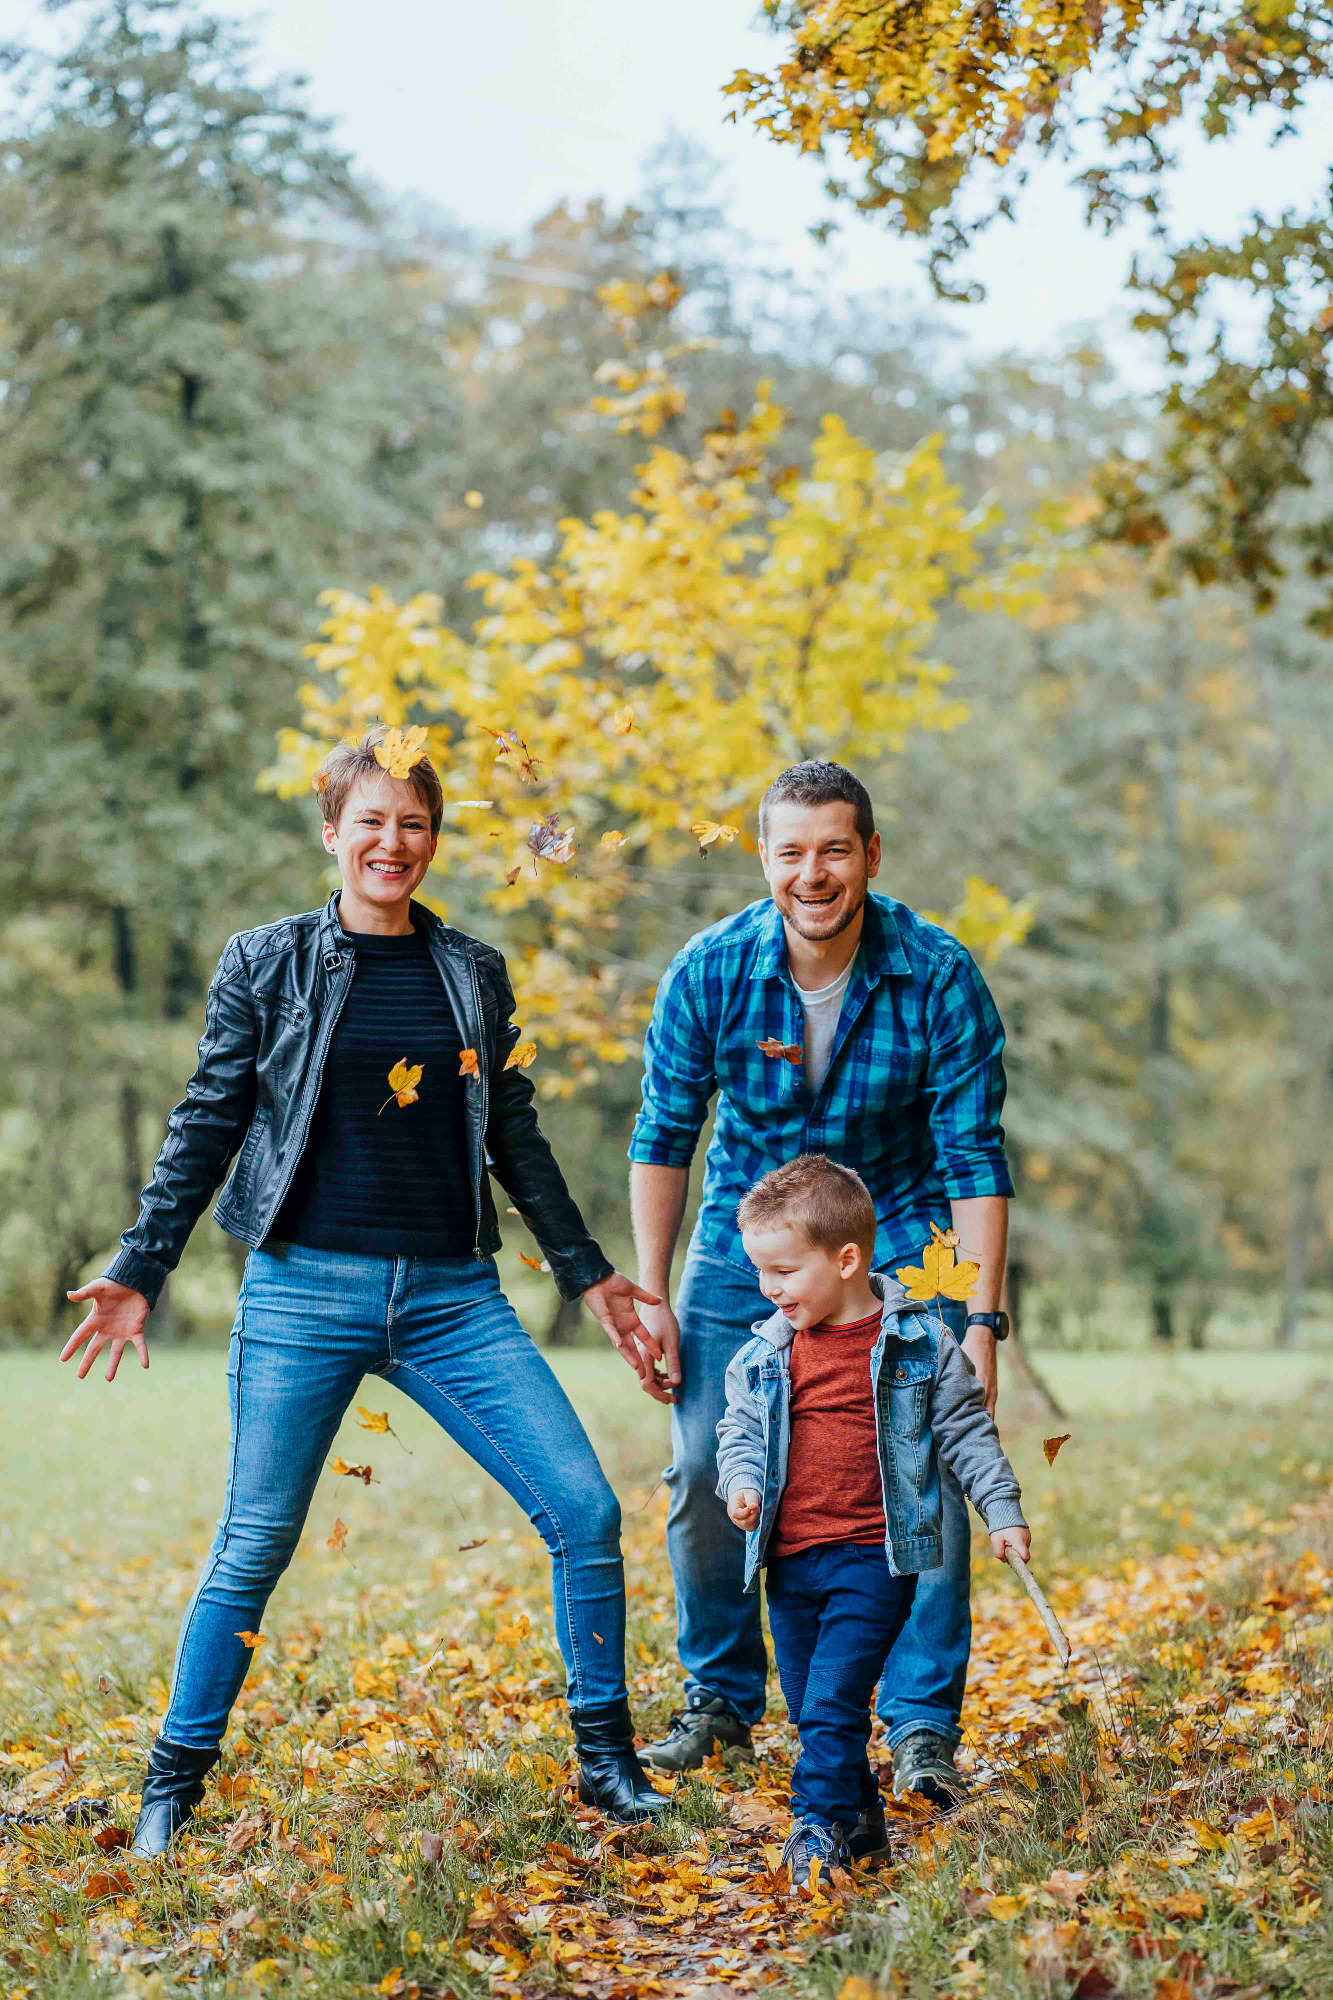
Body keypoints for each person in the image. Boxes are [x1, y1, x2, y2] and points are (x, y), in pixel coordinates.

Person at [62, 726, 669, 1856]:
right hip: (302, 1292)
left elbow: (513, 1134)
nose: (393, 842)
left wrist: (587, 1273)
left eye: (415, 823)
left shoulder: (472, 972)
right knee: (254, 1542)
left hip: (453, 1299)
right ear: (332, 832)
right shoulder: (266, 961)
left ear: (433, 840)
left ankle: (606, 1760)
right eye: (371, 821)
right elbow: (210, 1118)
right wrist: (143, 1265)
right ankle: (170, 1787)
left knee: (584, 1511)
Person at [630, 760, 1015, 1802]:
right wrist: (654, 1293)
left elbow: (974, 1157)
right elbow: (663, 1135)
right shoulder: (709, 970)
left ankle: (921, 1724)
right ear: (764, 858)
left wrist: (981, 1321)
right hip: (742, 1249)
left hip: (902, 1240)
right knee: (705, 1465)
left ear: (870, 855)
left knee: (919, 1467)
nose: (813, 873)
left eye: (834, 849)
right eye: (791, 851)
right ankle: (720, 1700)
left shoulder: (936, 973)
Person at [717, 1155, 1029, 1874]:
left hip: (872, 1557)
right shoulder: (763, 1354)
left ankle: (815, 1825)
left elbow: (966, 1433)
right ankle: (862, 1824)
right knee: (811, 1706)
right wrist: (741, 1481)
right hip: (789, 1560)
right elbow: (739, 1432)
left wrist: (1001, 1510)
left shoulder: (920, 1344)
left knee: (832, 1704)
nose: (768, 1289)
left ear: (847, 1259)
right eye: (761, 1273)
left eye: (784, 1272)